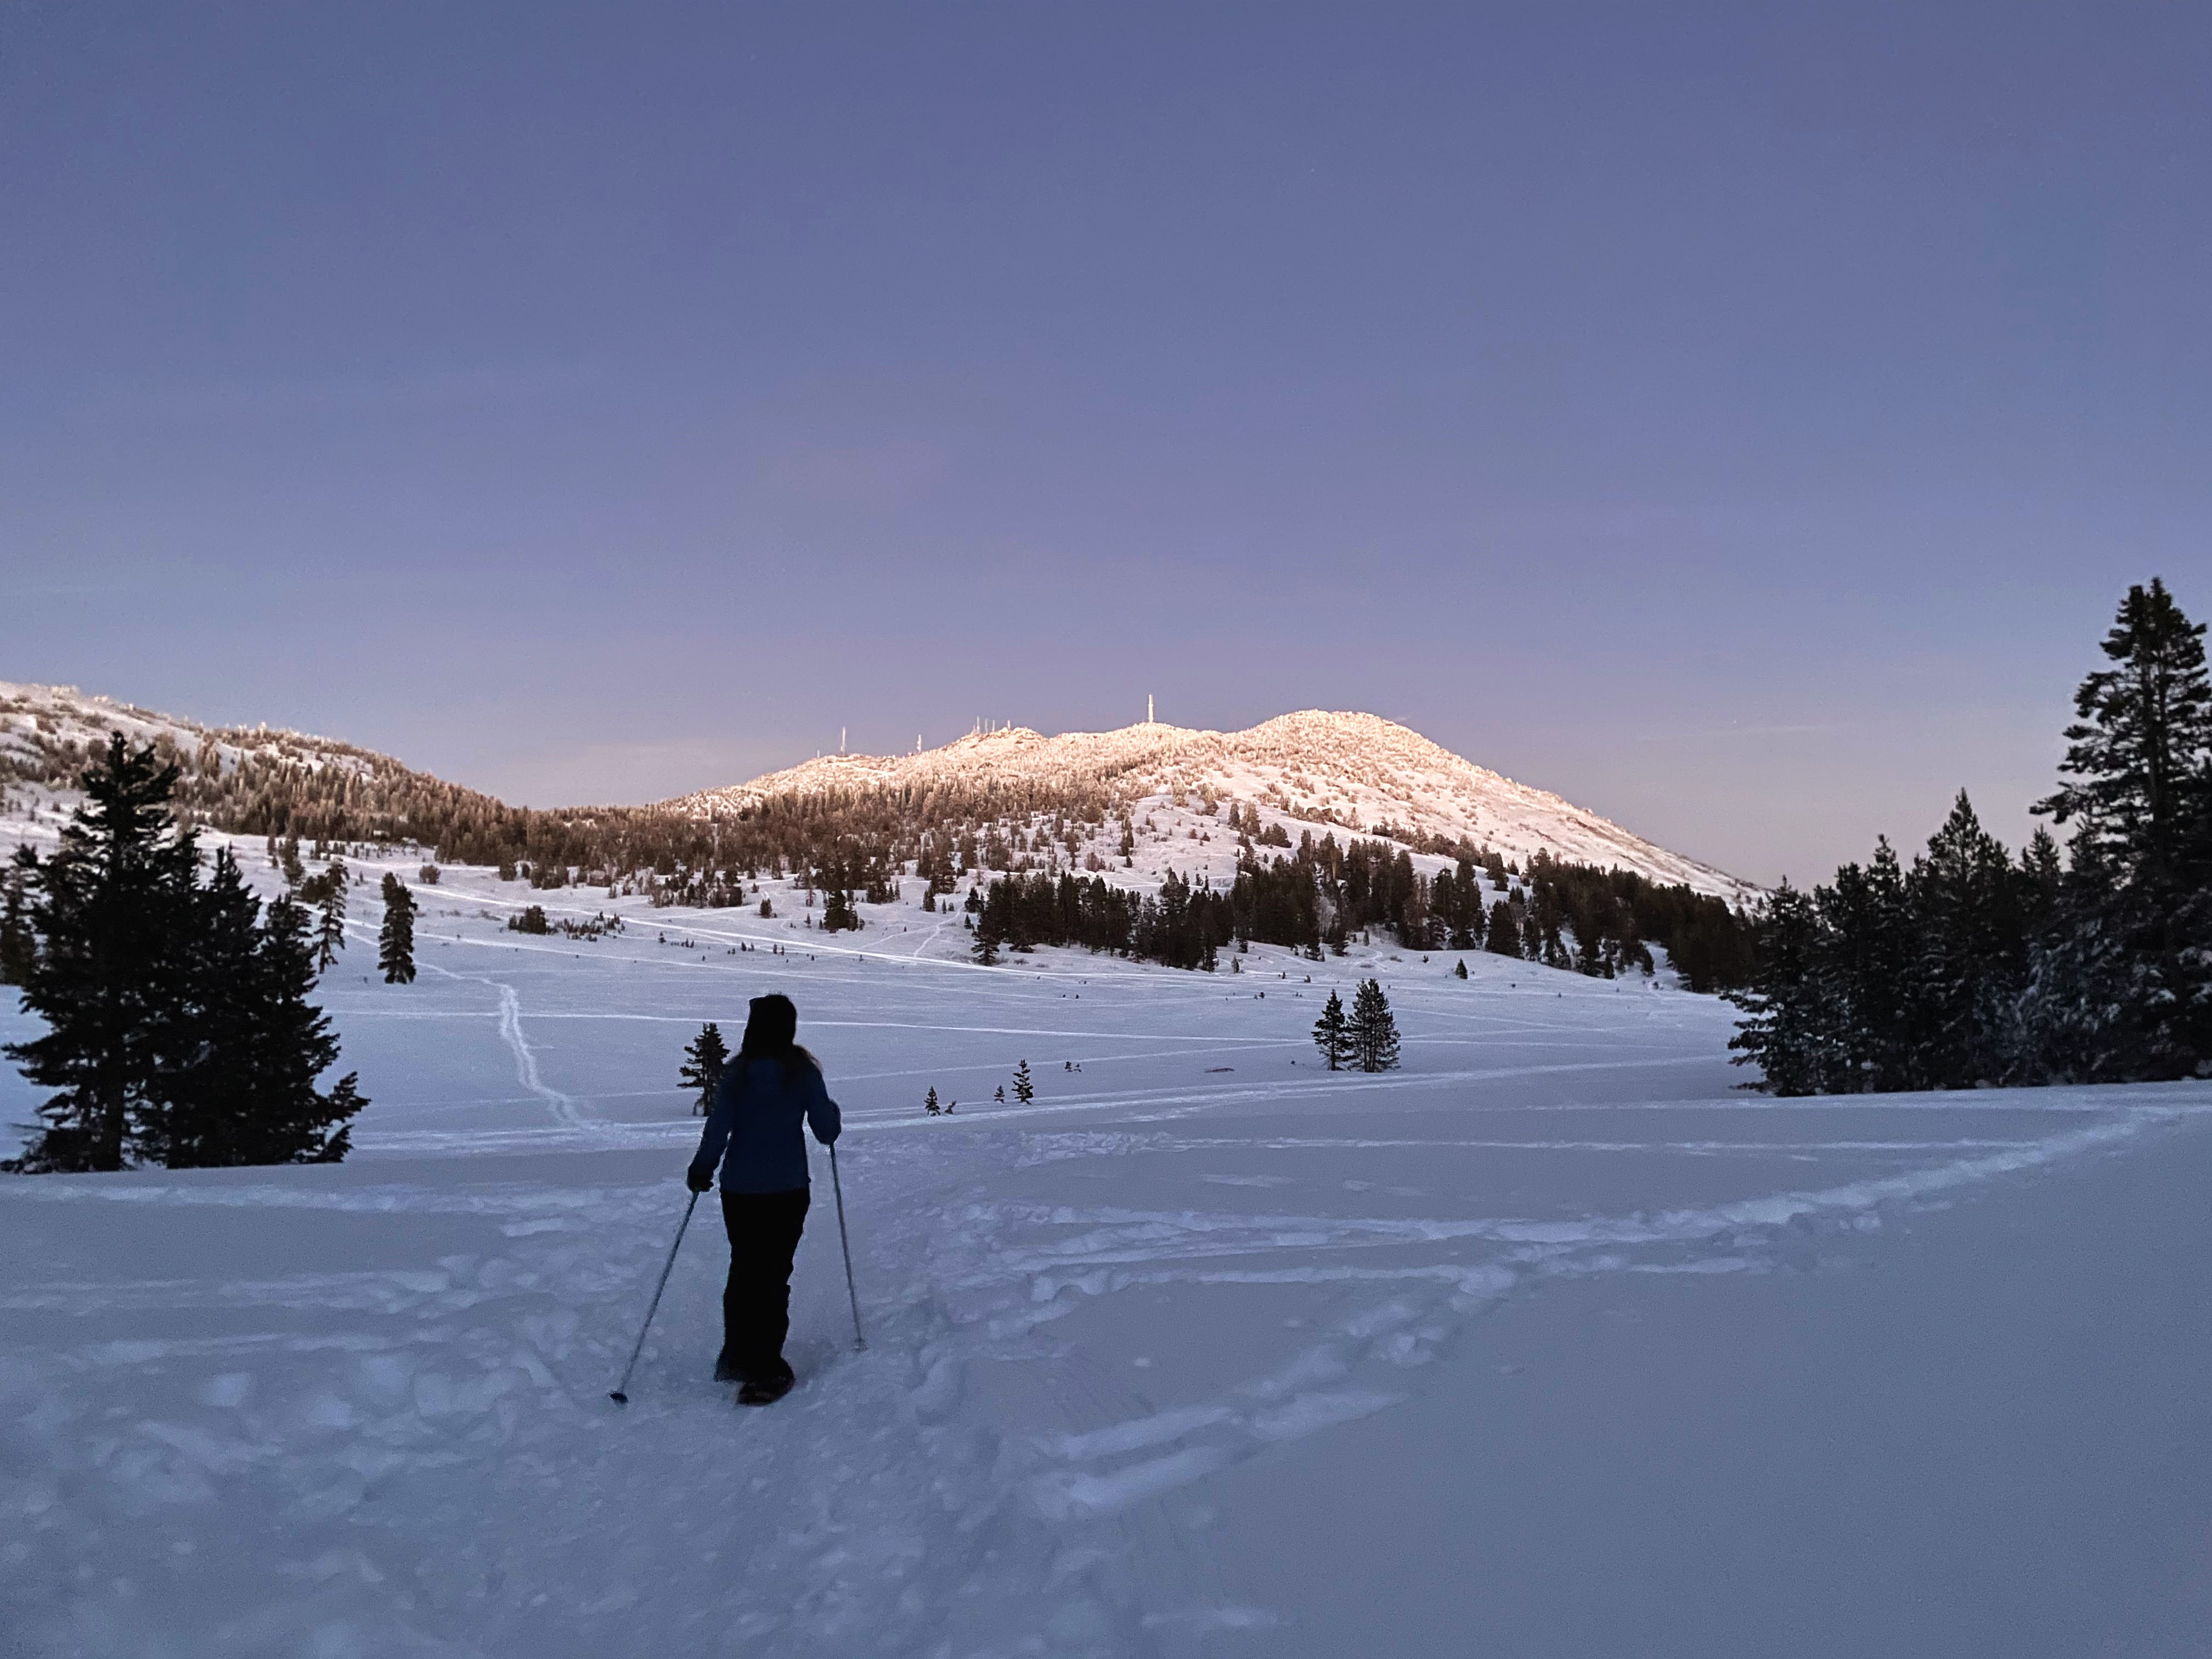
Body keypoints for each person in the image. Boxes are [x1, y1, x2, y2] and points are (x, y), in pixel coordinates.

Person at [687, 994, 841, 1405]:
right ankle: (767, 1367)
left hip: (739, 1190)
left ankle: (738, 1355)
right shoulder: (803, 1072)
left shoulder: (738, 1074)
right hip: (787, 1190)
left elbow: (718, 1131)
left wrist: (702, 1168)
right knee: (773, 1274)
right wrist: (834, 1114)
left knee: (744, 1269)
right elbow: (826, 1131)